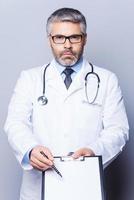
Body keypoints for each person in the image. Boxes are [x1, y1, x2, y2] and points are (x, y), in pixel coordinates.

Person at [4, 7, 129, 200]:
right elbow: (15, 124)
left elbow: (118, 130)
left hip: (86, 186)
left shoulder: (107, 80)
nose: (67, 45)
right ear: (50, 40)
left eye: (74, 37)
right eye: (60, 38)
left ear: (84, 39)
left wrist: (94, 151)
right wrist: (30, 149)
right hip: (37, 190)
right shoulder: (30, 78)